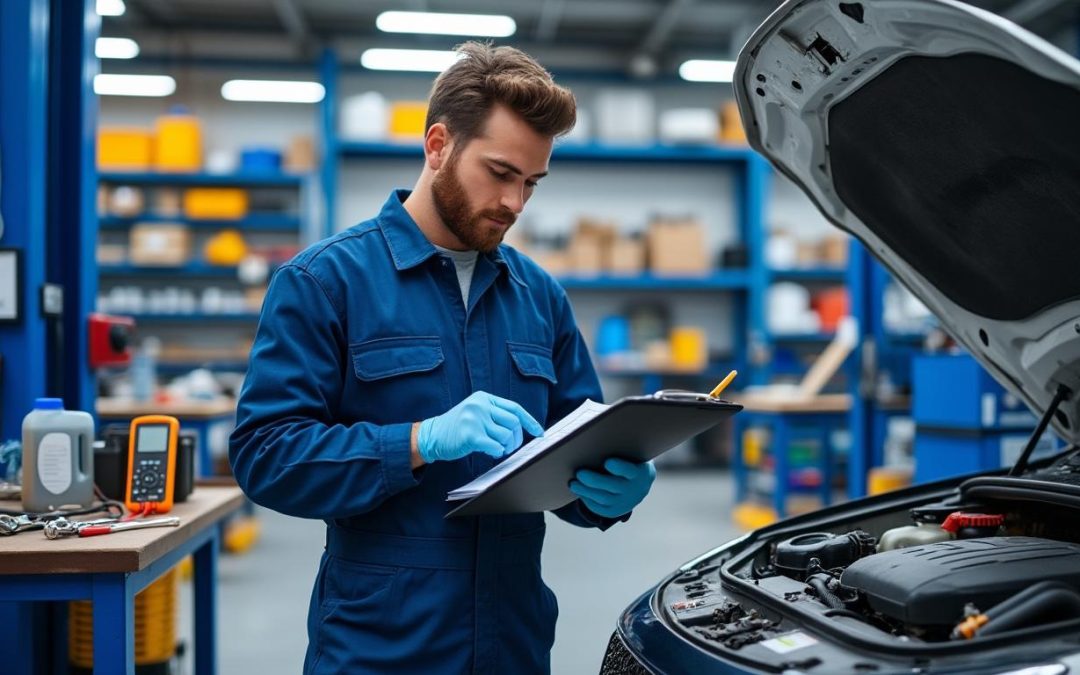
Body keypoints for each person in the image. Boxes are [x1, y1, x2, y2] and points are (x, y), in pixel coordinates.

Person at [229, 41, 657, 674]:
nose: (516, 203)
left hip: (513, 637)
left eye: (532, 183)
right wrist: (417, 441)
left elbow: (572, 455)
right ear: (438, 146)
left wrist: (611, 492)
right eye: (501, 173)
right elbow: (266, 456)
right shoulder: (326, 282)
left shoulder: (539, 296)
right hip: (383, 644)